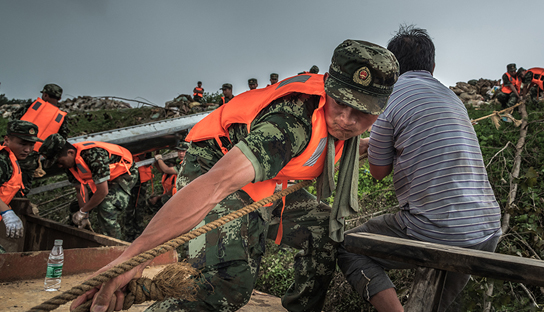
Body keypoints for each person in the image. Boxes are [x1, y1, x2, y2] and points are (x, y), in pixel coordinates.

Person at [70, 39, 399, 312]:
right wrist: (134, 258)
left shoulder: (346, 129)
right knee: (228, 284)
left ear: (379, 109)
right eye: (341, 102)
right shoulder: (289, 123)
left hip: (270, 182)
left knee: (328, 230)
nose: (347, 119)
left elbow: (320, 150)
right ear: (328, 86)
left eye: (362, 111)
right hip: (214, 167)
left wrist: (380, 145)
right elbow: (215, 185)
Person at [338, 25, 502, 312]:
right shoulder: (453, 98)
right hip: (485, 229)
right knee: (434, 306)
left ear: (390, 66)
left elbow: (378, 171)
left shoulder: (388, 99)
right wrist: (374, 143)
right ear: (433, 66)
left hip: (435, 231)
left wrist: (375, 146)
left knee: (349, 247)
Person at [39, 133, 139, 240]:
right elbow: (80, 190)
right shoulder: (69, 164)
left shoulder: (94, 156)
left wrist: (83, 211)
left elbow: (102, 191)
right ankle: (80, 239)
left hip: (124, 173)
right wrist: (84, 216)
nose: (59, 166)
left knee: (106, 206)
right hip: (104, 179)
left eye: (59, 162)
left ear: (70, 152)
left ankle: (114, 245)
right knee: (75, 207)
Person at [10, 83, 69, 195]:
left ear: (45, 95)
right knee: (21, 189)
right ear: (59, 98)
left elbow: (12, 122)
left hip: (12, 149)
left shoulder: (32, 106)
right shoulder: (60, 116)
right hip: (31, 156)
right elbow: (61, 139)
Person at [0, 121, 43, 253]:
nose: (28, 150)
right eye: (22, 144)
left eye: (31, 145)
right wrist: (7, 212)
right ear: (7, 140)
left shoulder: (10, 159)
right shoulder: (2, 161)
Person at [148, 141, 188, 209]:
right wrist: (157, 150)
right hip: (175, 197)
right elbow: (159, 166)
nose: (181, 153)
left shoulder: (185, 165)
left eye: (183, 151)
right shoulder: (167, 175)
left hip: (180, 198)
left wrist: (159, 159)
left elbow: (166, 169)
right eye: (179, 151)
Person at [124, 153, 154, 242]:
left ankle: (138, 234)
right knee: (128, 208)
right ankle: (129, 234)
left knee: (139, 208)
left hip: (141, 181)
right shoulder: (127, 150)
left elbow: (149, 162)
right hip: (129, 181)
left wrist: (140, 155)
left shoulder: (146, 149)